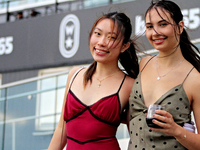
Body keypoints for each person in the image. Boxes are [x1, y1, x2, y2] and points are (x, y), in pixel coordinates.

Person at [48, 11, 139, 150]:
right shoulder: (74, 74)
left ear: (125, 46)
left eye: (111, 37)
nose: (101, 42)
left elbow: (136, 139)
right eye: (98, 34)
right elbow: (61, 128)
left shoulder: (130, 85)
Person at [128, 0, 200, 150]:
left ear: (180, 27)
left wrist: (176, 130)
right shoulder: (143, 64)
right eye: (149, 27)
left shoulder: (194, 79)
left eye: (163, 24)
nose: (155, 33)